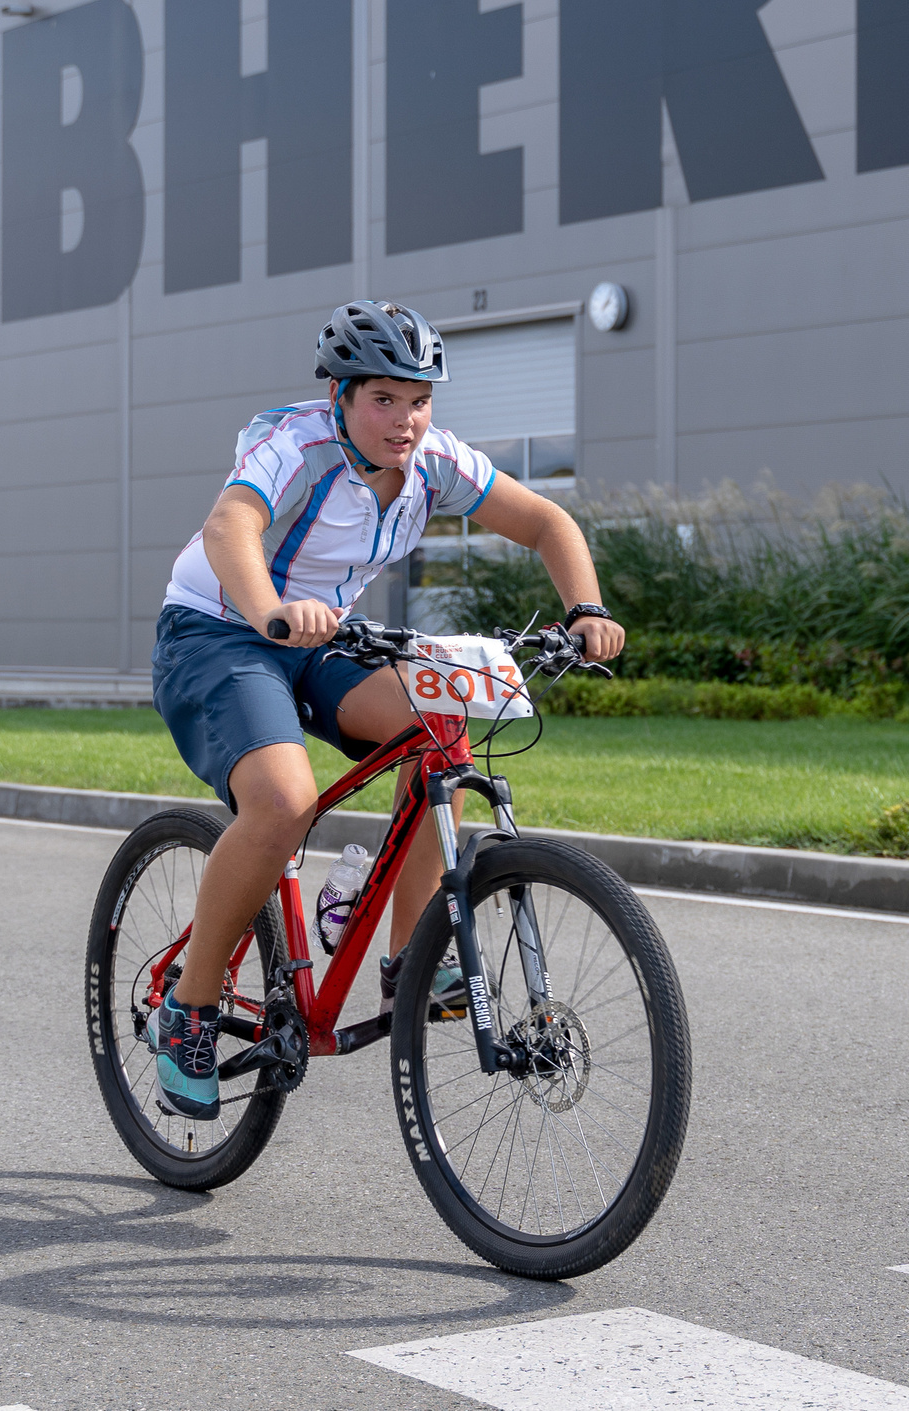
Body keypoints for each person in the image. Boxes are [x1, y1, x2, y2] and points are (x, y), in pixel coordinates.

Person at [145, 299, 628, 1119]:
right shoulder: (296, 444)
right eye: (383, 399)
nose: (404, 421)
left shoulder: (435, 461)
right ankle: (186, 1009)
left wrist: (584, 609)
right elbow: (232, 525)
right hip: (221, 630)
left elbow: (546, 521)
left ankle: (412, 956)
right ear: (338, 393)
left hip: (323, 635)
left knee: (437, 727)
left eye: (419, 399)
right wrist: (269, 608)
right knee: (284, 802)